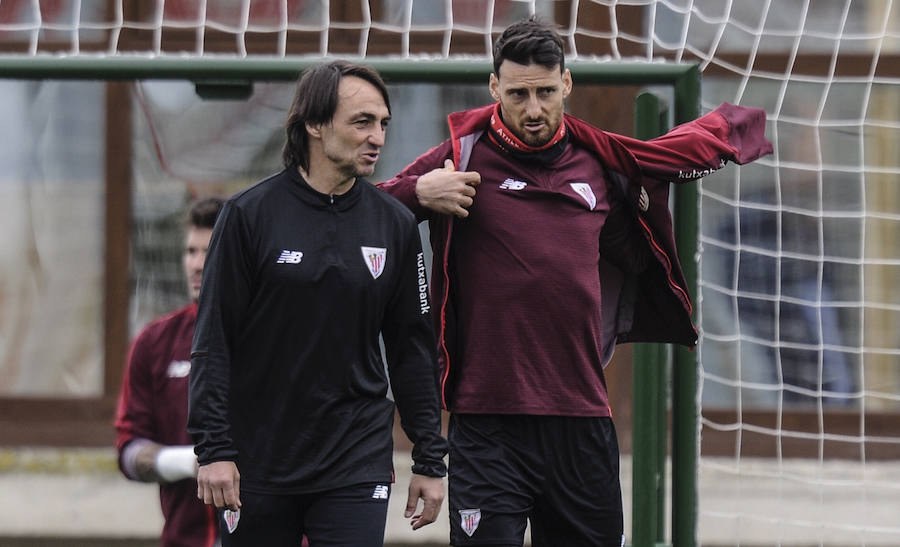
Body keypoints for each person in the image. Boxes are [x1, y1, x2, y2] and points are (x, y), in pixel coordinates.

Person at [377, 16, 773, 547]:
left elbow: (640, 221)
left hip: (581, 419)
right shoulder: (461, 156)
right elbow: (369, 208)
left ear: (566, 83)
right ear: (495, 89)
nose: (533, 108)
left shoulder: (599, 161)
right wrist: (419, 193)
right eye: (518, 94)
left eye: (545, 91)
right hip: (486, 423)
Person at [187, 60, 448, 546]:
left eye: (383, 123)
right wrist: (213, 450)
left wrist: (430, 459)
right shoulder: (248, 216)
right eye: (361, 122)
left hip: (355, 459)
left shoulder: (394, 224)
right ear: (313, 123)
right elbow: (213, 341)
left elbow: (413, 349)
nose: (377, 137)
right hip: (258, 461)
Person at [115, 196, 225, 547]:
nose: (195, 264)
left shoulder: (275, 338)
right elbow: (129, 451)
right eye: (190, 251)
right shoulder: (153, 342)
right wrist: (189, 462)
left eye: (207, 252)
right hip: (184, 539)